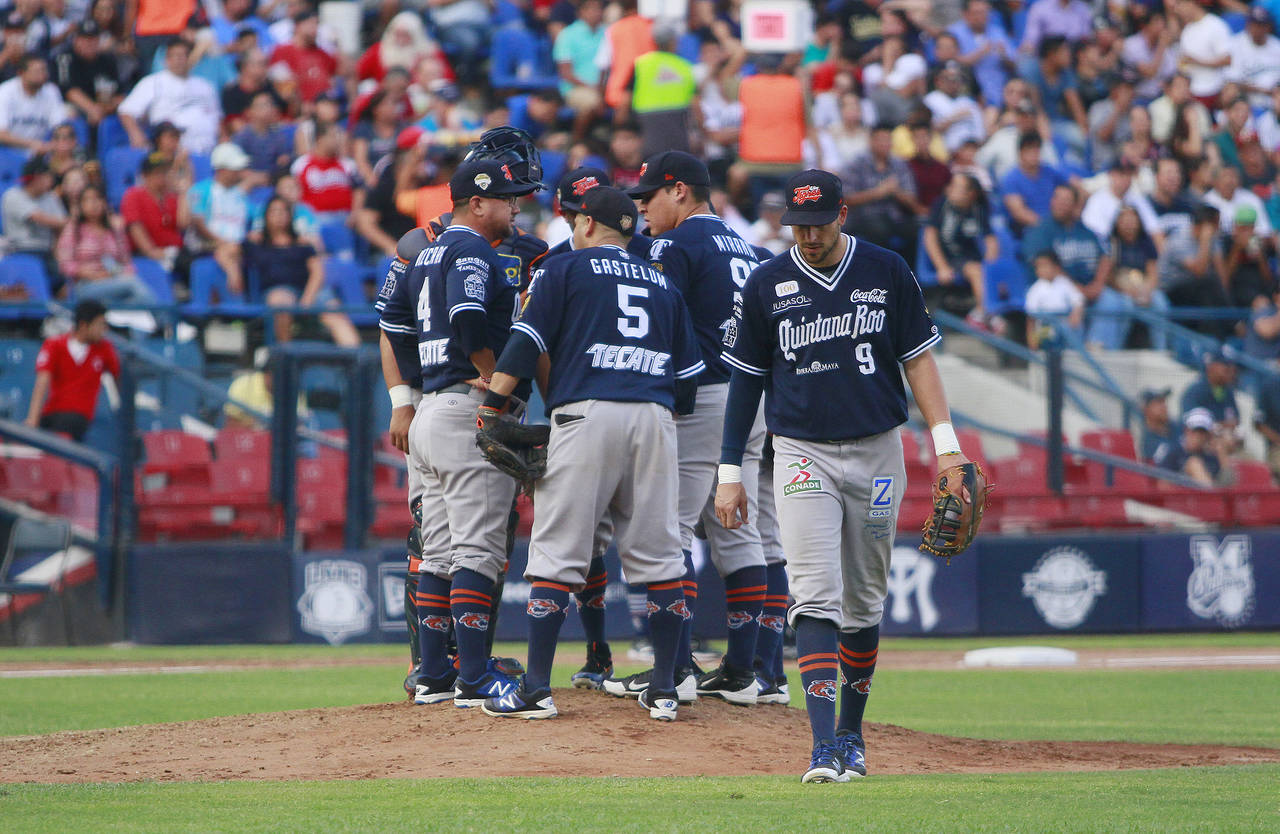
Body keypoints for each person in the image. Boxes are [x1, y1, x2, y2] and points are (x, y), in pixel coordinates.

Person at [715, 168, 970, 783]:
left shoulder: (885, 270)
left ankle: (852, 736)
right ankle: (824, 745)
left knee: (864, 597)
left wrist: (948, 448)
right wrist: (729, 469)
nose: (807, 235)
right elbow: (745, 383)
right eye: (798, 226)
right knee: (813, 591)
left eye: (818, 224)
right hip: (802, 452)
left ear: (843, 215)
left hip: (878, 449)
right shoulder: (767, 282)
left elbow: (919, 361)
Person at [477, 185, 702, 721]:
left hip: (586, 413)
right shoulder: (662, 282)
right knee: (661, 557)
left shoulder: (563, 269)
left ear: (585, 225)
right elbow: (689, 383)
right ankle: (665, 688)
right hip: (654, 416)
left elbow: (526, 344)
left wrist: (492, 405)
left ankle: (536, 688)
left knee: (557, 554)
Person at [599, 151, 774, 708]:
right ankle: (743, 671)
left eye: (648, 196)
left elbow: (659, 319)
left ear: (679, 190)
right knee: (739, 529)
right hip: (751, 398)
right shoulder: (748, 247)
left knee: (666, 529)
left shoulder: (676, 245)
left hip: (703, 398)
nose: (641, 209)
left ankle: (673, 671)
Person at [375, 158, 536, 709]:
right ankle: (473, 677)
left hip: (428, 411)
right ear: (477, 203)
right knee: (476, 551)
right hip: (465, 411)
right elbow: (469, 319)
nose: (515, 207)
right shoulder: (471, 251)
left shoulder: (424, 254)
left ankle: (434, 674)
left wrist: (410, 393)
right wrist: (491, 377)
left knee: (439, 553)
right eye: (507, 198)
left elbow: (393, 327)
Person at [1021, 183, 1130, 349]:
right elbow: (1046, 265)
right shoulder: (1041, 230)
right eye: (1058, 199)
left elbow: (1105, 257)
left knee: (1118, 303)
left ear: (1075, 205)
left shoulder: (1084, 229)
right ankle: (1083, 353)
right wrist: (1078, 289)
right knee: (1067, 317)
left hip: (1091, 289)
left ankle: (1099, 349)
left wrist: (1098, 285)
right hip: (1060, 291)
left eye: (1066, 200)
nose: (1061, 204)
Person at [244, 195, 358, 346]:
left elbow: (317, 272)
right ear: (265, 216)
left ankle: (355, 355)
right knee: (280, 304)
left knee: (335, 313)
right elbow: (227, 252)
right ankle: (284, 354)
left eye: (283, 211)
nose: (279, 216)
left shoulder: (303, 243)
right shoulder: (256, 244)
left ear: (290, 215)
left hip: (310, 290)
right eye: (274, 211)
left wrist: (308, 298)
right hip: (279, 291)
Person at [24, 299, 119, 441]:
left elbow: (119, 377)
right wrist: (33, 418)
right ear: (83, 325)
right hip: (51, 413)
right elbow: (42, 380)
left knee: (65, 430)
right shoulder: (55, 345)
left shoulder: (105, 349)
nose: (104, 330)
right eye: (100, 324)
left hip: (78, 417)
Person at [56, 185, 155, 307]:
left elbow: (127, 263)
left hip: (114, 280)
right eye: (87, 200)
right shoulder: (73, 229)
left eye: (97, 199)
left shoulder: (114, 230)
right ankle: (163, 318)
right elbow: (64, 264)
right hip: (86, 284)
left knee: (136, 294)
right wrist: (86, 273)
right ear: (81, 205)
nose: (93, 204)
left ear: (104, 203)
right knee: (133, 285)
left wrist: (114, 273)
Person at [118, 38, 221, 155]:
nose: (178, 60)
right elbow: (126, 111)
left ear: (189, 58)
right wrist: (136, 135)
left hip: (209, 148)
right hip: (173, 149)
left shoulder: (205, 85)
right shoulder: (153, 82)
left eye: (182, 56)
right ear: (166, 60)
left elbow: (217, 118)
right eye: (174, 56)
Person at [845, 123, 923, 266]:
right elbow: (846, 199)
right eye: (881, 140)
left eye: (888, 140)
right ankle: (882, 271)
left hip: (894, 216)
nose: (885, 144)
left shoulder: (899, 164)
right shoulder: (856, 164)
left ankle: (908, 271)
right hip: (863, 217)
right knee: (878, 229)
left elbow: (912, 200)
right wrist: (877, 193)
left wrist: (896, 191)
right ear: (871, 141)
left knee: (917, 228)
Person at [923, 172, 996, 324]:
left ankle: (994, 314)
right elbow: (929, 237)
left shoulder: (979, 209)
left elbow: (991, 239)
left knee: (993, 269)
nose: (949, 189)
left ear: (971, 194)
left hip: (973, 259)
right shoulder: (942, 205)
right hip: (950, 259)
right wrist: (941, 267)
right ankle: (982, 315)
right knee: (975, 270)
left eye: (956, 186)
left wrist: (991, 262)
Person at [183, 142, 251, 296]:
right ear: (222, 170)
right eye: (234, 169)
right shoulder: (201, 190)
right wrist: (222, 241)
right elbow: (198, 223)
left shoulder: (240, 194)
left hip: (237, 246)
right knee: (230, 249)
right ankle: (234, 279)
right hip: (205, 244)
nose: (238, 173)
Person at [1, 156, 67, 281]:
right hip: (22, 250)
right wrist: (65, 222)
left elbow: (63, 224)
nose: (51, 180)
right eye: (47, 176)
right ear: (37, 178)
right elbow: (39, 218)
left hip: (47, 251)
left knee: (63, 278)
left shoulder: (50, 197)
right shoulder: (13, 195)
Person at [52, 21, 123, 135]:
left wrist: (105, 109)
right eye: (85, 39)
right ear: (76, 40)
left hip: (103, 106)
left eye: (93, 39)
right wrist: (93, 109)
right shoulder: (65, 57)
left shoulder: (107, 60)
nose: (89, 44)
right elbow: (69, 91)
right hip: (75, 105)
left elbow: (118, 93)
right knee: (68, 112)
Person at [120, 151, 185, 271]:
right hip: (148, 254)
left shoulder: (171, 197)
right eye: (157, 173)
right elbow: (135, 227)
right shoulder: (133, 196)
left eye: (164, 172)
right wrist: (151, 251)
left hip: (177, 251)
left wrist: (183, 193)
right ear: (145, 176)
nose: (162, 177)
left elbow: (183, 224)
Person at [1001, 131, 1067, 236]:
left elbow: (1071, 189)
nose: (1033, 154)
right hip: (1027, 230)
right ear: (1020, 152)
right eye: (1029, 150)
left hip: (1055, 225)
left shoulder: (1050, 172)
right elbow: (1019, 212)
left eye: (1036, 149)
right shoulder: (1011, 178)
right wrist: (1046, 226)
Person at [0, 55, 65, 154]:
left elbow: (59, 126)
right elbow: (1, 134)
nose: (42, 75)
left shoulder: (51, 90)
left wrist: (52, 145)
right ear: (21, 73)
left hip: (43, 149)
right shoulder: (5, 92)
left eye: (44, 70)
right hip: (9, 151)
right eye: (37, 71)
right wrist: (31, 144)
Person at [1024, 249, 1085, 346]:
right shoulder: (1035, 290)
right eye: (1039, 266)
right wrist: (1032, 342)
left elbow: (1078, 299)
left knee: (1075, 327)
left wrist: (1076, 313)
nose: (1042, 269)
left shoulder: (1064, 283)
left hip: (1065, 326)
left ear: (1056, 267)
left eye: (1045, 265)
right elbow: (1031, 319)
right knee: (1054, 331)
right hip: (1045, 329)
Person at [1152, 408, 1221, 486]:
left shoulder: (1212, 458)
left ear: (1208, 436)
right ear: (1186, 430)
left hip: (1206, 491)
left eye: (1202, 432)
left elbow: (1224, 485)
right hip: (1180, 492)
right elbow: (1162, 485)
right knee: (1194, 463)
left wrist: (1222, 454)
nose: (1197, 436)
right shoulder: (1173, 453)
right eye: (1194, 431)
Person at [1228, 8, 1280, 111]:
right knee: (1231, 90)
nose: (1258, 29)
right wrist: (1264, 91)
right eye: (1255, 25)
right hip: (1246, 103)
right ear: (1248, 25)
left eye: (1262, 25)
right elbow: (1233, 81)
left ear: (1269, 27)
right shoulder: (1236, 44)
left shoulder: (1276, 46)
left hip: (1274, 102)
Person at [1139, 387, 1176, 463]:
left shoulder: (1176, 427)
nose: (1164, 406)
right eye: (1159, 403)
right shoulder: (1148, 442)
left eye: (1164, 402)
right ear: (1146, 409)